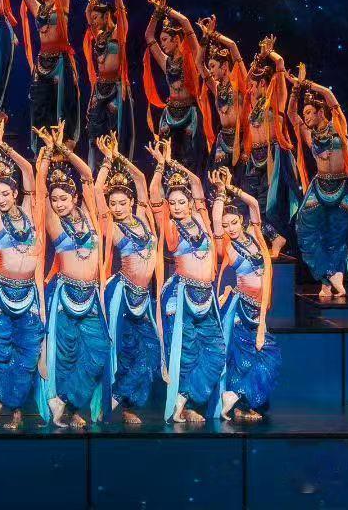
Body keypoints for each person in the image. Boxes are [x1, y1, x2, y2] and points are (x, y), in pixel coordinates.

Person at [34, 123, 109, 429]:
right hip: (65, 296)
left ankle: (64, 401)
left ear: (75, 197)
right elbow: (40, 190)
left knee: (98, 350)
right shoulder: (54, 222)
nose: (58, 203)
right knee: (67, 356)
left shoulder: (90, 215)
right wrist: (47, 153)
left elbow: (88, 176)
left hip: (90, 296)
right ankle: (71, 409)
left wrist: (64, 150)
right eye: (55, 199)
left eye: (63, 198)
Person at [147, 138, 225, 425]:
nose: (177, 207)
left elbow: (196, 182)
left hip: (206, 296)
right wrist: (161, 166)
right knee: (186, 352)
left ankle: (185, 399)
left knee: (215, 351)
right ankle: (182, 404)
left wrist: (174, 163)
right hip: (180, 295)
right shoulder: (169, 224)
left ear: (191, 203)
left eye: (182, 202)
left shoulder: (202, 217)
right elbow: (154, 193)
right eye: (173, 203)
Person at [0, 120, 45, 428]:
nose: (1, 198)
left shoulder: (30, 209)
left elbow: (28, 171)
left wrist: (6, 146)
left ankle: (14, 406)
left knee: (27, 353)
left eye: (6, 193)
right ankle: (1, 402)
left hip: (28, 293)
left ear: (16, 192)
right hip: (1, 293)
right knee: (0, 351)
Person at [94, 133, 164, 426]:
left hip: (143, 298)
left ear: (132, 201)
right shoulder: (112, 226)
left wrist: (121, 157)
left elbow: (139, 178)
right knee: (122, 350)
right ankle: (115, 405)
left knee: (149, 351)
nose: (117, 207)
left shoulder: (144, 217)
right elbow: (96, 191)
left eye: (122, 202)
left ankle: (125, 400)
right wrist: (106, 162)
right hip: (121, 296)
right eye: (113, 203)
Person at [210, 167, 281, 423]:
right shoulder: (227, 246)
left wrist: (231, 188)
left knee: (264, 356)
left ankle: (237, 399)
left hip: (258, 309)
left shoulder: (254, 234)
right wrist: (220, 193)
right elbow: (216, 220)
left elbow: (252, 203)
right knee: (242, 358)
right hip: (240, 309)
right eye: (225, 225)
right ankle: (238, 400)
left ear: (241, 221)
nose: (230, 228)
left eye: (233, 223)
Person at [286, 65, 348, 301]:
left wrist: (308, 84)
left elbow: (330, 96)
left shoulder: (339, 128)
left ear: (321, 112)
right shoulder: (309, 134)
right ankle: (327, 276)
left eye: (310, 112)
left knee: (336, 237)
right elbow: (290, 114)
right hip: (319, 188)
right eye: (306, 113)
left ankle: (329, 283)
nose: (307, 117)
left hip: (343, 189)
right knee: (305, 230)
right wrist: (295, 89)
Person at [143, 0, 210, 180]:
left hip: (190, 113)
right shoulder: (165, 62)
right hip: (170, 114)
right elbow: (149, 36)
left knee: (190, 159)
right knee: (167, 157)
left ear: (176, 39)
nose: (162, 44)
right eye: (161, 40)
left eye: (165, 40)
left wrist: (167, 9)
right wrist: (157, 13)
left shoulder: (193, 59)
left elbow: (186, 23)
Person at [241, 36, 299, 256]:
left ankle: (277, 239)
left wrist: (269, 54)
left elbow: (280, 64)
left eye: (253, 86)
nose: (249, 88)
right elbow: (247, 79)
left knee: (267, 204)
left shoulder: (276, 101)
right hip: (254, 157)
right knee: (247, 202)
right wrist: (258, 59)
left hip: (271, 157)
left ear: (263, 84)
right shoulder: (253, 102)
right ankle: (265, 239)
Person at [22, 0, 80, 134]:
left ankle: (64, 142)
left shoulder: (62, 4)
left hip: (60, 60)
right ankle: (42, 143)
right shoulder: (38, 9)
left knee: (63, 103)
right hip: (42, 61)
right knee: (39, 103)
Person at [83, 0, 132, 166]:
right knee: (94, 131)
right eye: (93, 18)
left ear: (107, 15)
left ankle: (116, 169)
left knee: (114, 132)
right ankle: (94, 172)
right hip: (100, 88)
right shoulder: (99, 35)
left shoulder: (119, 32)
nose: (93, 21)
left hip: (115, 88)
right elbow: (87, 12)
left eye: (97, 17)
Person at [197, 15, 246, 176]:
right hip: (223, 140)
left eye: (212, 66)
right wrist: (205, 38)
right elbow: (199, 64)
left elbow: (232, 45)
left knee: (239, 183)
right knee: (216, 181)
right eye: (209, 67)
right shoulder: (216, 87)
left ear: (224, 66)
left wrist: (213, 34)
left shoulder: (240, 84)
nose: (210, 70)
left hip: (241, 140)